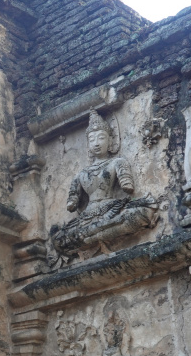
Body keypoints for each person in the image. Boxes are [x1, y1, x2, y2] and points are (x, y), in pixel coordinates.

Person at [49, 111, 157, 264]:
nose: (96, 143)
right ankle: (96, 237)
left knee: (140, 213)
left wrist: (126, 182)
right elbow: (72, 203)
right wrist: (72, 202)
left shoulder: (117, 162)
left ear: (111, 140)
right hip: (87, 218)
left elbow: (128, 187)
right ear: (88, 144)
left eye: (101, 138)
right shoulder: (80, 174)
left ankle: (92, 238)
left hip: (111, 208)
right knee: (59, 240)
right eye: (92, 139)